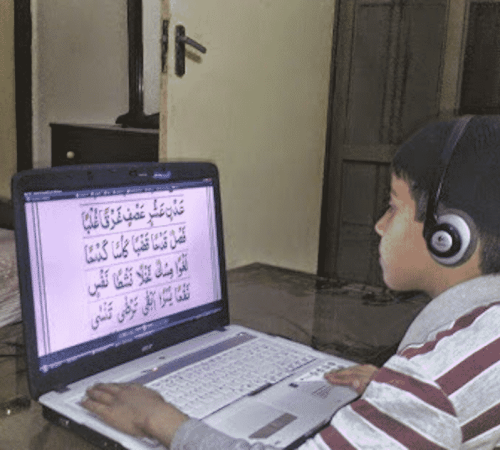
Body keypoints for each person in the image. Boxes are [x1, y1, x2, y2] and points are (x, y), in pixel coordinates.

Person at [82, 115, 500, 449]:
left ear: (449, 238)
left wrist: (160, 420)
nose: (378, 225)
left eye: (393, 207)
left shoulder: (434, 382)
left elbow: (442, 391)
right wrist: (394, 397)